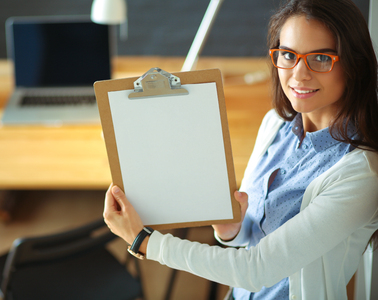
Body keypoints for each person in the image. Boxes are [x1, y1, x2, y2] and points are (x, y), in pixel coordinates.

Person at [103, 0, 378, 299]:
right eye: (288, 55)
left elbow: (256, 269)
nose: (299, 74)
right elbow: (253, 239)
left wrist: (143, 241)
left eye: (321, 58)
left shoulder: (361, 174)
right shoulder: (275, 125)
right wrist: (231, 229)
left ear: (354, 64)